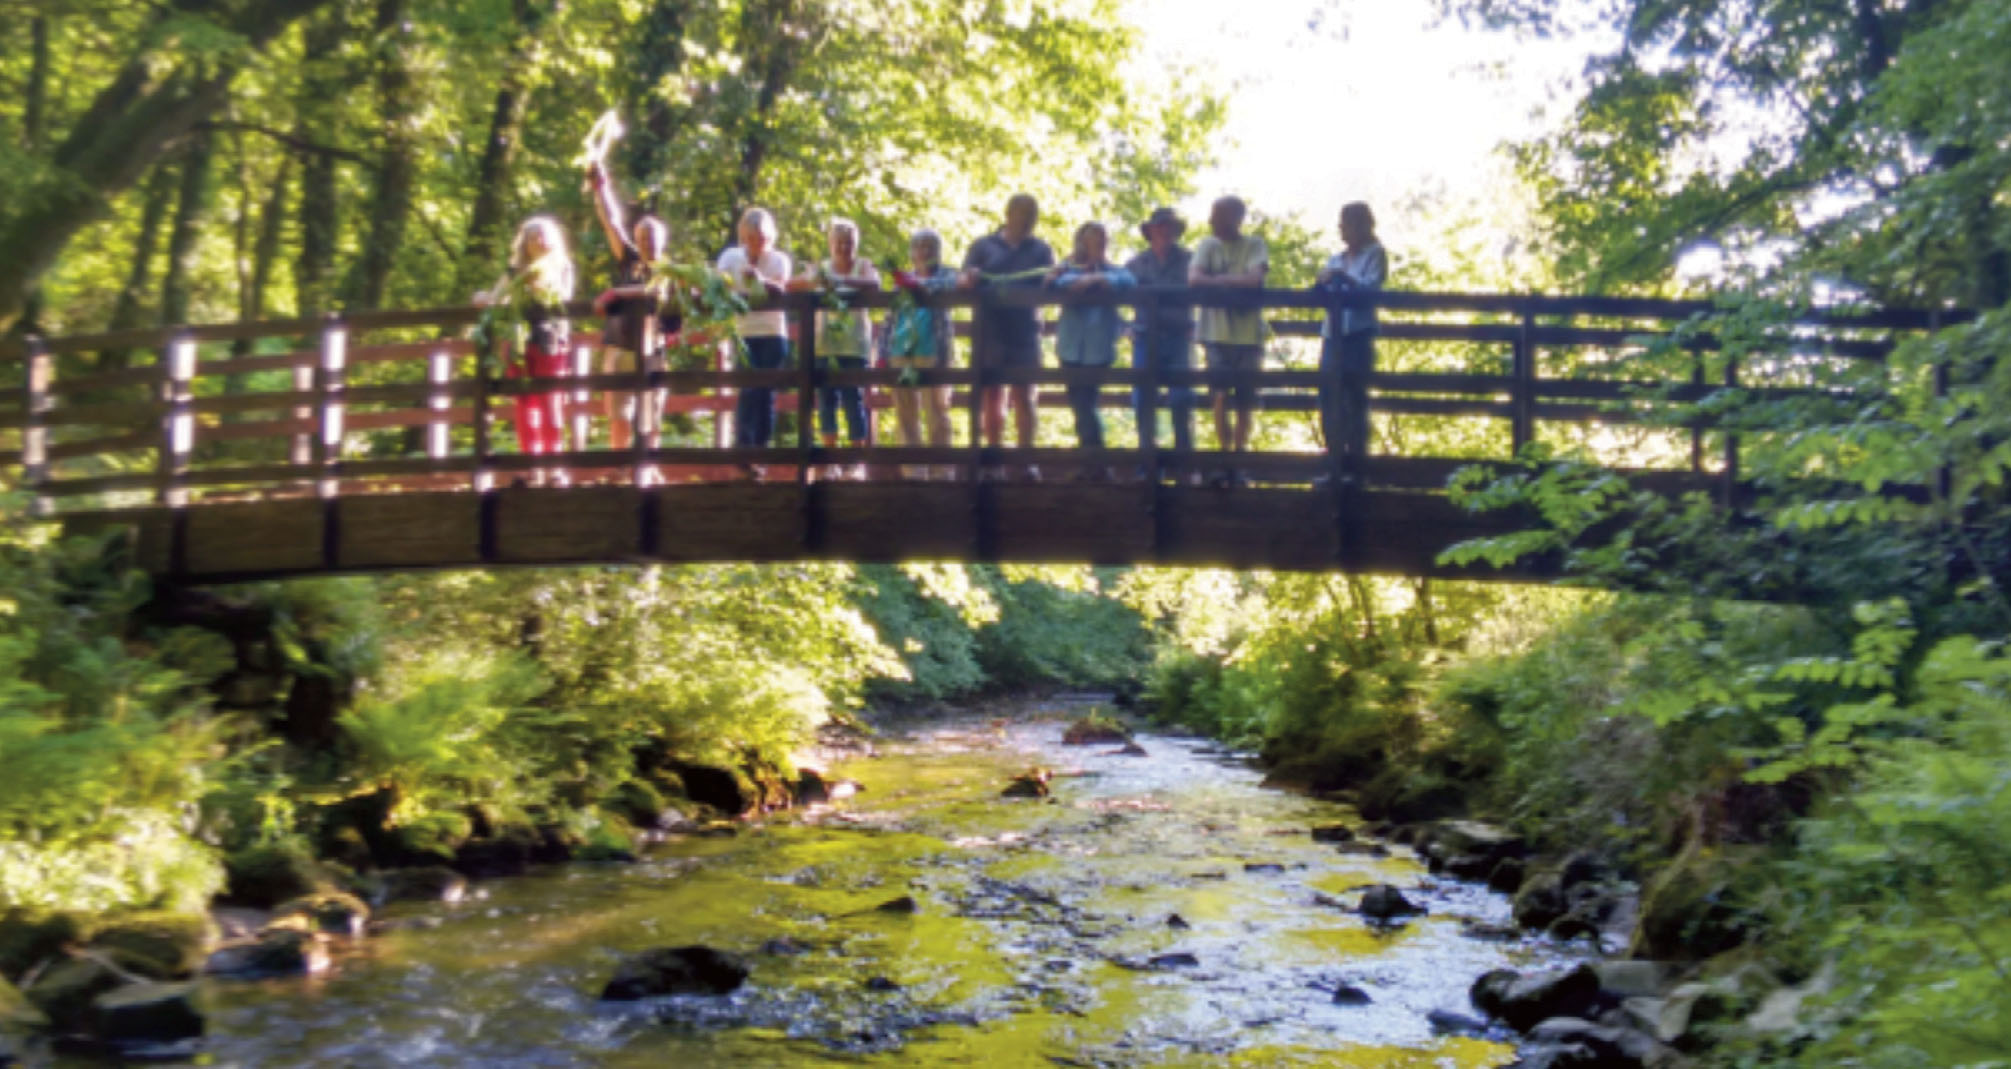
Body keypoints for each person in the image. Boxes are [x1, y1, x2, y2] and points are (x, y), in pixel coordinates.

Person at [585, 161, 676, 478]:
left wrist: (619, 294)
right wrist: (601, 188)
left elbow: (664, 301)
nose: (647, 243)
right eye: (642, 237)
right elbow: (611, 222)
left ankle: (648, 469)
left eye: (652, 238)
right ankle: (622, 468)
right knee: (619, 414)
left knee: (650, 414)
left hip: (652, 351)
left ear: (662, 241)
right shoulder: (629, 261)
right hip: (620, 347)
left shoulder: (669, 271)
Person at [960, 193, 1055, 479]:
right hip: (990, 330)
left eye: (1031, 215)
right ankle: (993, 458)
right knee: (992, 394)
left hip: (1024, 330)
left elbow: (1050, 282)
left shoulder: (1040, 250)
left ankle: (1025, 459)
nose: (1026, 220)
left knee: (1025, 395)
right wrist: (971, 277)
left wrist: (1053, 279)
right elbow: (962, 278)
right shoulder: (983, 246)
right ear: (1008, 213)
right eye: (1021, 213)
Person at [475, 215, 575, 486]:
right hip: (519, 342)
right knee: (525, 407)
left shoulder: (562, 266)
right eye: (533, 238)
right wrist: (484, 299)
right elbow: (496, 296)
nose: (539, 242)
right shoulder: (515, 271)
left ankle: (554, 468)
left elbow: (563, 299)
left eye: (544, 237)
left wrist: (539, 285)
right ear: (525, 243)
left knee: (551, 406)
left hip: (551, 342)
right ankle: (531, 468)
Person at [1188, 195, 1269, 487]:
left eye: (1218, 215)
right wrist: (1232, 281)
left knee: (1246, 399)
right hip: (1214, 333)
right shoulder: (1207, 245)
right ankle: (1224, 458)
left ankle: (1240, 459)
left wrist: (1217, 281)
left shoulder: (1254, 245)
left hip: (1248, 336)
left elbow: (1254, 280)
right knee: (1219, 395)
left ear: (1235, 218)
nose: (1211, 221)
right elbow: (1194, 279)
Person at [792, 218, 881, 479]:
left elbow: (875, 284)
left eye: (849, 243)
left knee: (854, 400)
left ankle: (856, 462)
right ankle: (830, 462)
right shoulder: (822, 268)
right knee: (827, 402)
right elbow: (793, 284)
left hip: (854, 346)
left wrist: (839, 279)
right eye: (839, 243)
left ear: (856, 244)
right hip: (825, 345)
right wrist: (815, 280)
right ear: (831, 244)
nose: (844, 248)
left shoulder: (863, 266)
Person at [1046, 221, 1135, 476]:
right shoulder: (1066, 267)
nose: (1096, 243)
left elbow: (1125, 280)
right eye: (1091, 239)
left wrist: (1095, 278)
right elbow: (1055, 282)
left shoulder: (1113, 270)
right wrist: (1080, 278)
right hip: (1071, 346)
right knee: (1078, 403)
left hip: (1097, 346)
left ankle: (1094, 462)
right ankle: (1093, 461)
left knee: (1086, 402)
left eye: (1100, 239)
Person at [1317, 201, 1389, 481]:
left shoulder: (1375, 254)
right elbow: (1322, 290)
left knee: (1355, 401)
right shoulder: (1336, 258)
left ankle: (1358, 469)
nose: (1341, 229)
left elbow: (1370, 289)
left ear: (1360, 225)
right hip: (1331, 335)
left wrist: (1343, 279)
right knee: (1328, 398)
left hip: (1358, 335)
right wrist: (1324, 282)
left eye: (1345, 223)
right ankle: (1334, 464)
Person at [880, 228, 959, 479]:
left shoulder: (944, 275)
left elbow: (952, 284)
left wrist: (917, 286)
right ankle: (913, 470)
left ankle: (941, 471)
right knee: (905, 413)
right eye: (920, 247)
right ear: (912, 253)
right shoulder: (901, 281)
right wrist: (882, 351)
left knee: (937, 411)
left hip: (933, 351)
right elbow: (889, 319)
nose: (925, 252)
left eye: (930, 247)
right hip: (901, 351)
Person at [1124, 206, 1195, 475]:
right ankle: (1148, 464)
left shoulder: (1190, 260)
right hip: (1145, 337)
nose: (1166, 231)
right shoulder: (1136, 264)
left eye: (1171, 227)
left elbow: (1205, 288)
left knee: (1182, 398)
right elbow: (1114, 293)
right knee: (1143, 399)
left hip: (1179, 338)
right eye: (1161, 226)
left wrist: (1196, 326)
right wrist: (1124, 327)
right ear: (1151, 231)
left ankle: (1184, 465)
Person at [717, 208, 792, 462]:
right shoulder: (731, 257)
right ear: (743, 236)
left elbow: (782, 289)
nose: (756, 243)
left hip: (772, 333)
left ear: (769, 237)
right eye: (750, 237)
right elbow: (718, 285)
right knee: (747, 389)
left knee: (765, 393)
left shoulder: (779, 259)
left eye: (760, 238)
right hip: (744, 332)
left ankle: (760, 452)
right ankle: (743, 449)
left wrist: (760, 280)